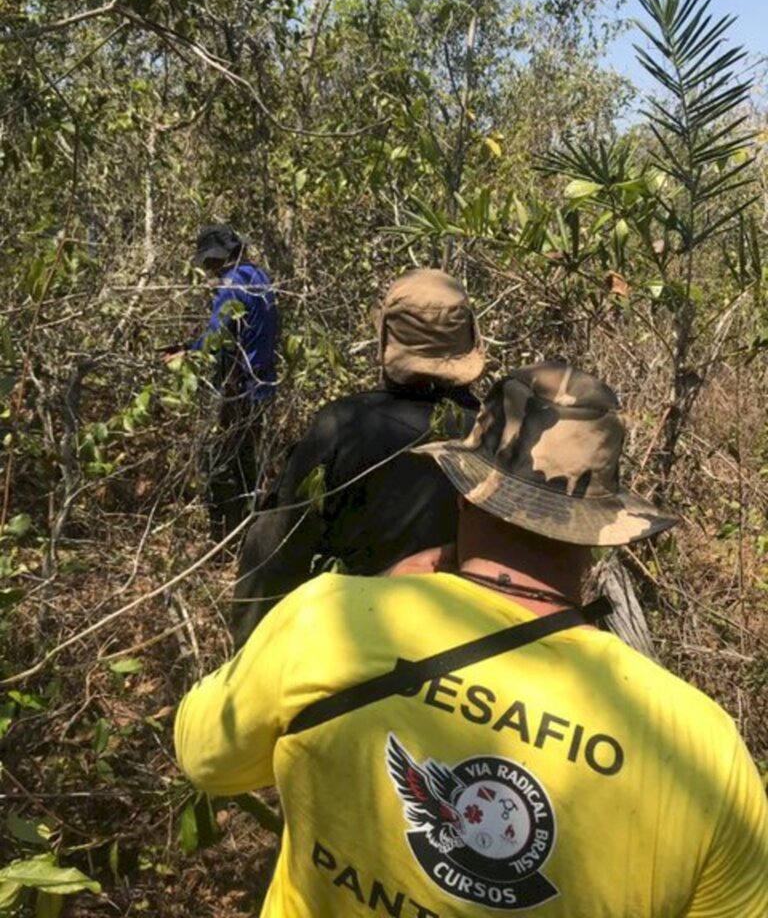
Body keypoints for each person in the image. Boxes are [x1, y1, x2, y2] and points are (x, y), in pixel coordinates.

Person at [175, 362, 767, 917]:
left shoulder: (329, 619)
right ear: (602, 530)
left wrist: (374, 592)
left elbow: (206, 757)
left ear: (463, 488)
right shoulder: (703, 752)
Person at [232, 267, 485, 645]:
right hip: (470, 653)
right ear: (469, 339)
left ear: (385, 338)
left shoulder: (343, 426)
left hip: (357, 645)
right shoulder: (495, 434)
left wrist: (251, 656)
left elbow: (277, 551)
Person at [170, 223, 278, 542]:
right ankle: (250, 535)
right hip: (262, 385)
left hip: (239, 389)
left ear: (220, 256)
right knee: (247, 463)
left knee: (221, 466)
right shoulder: (260, 277)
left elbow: (216, 340)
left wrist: (187, 353)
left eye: (209, 260)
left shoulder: (231, 284)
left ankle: (225, 541)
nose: (207, 268)